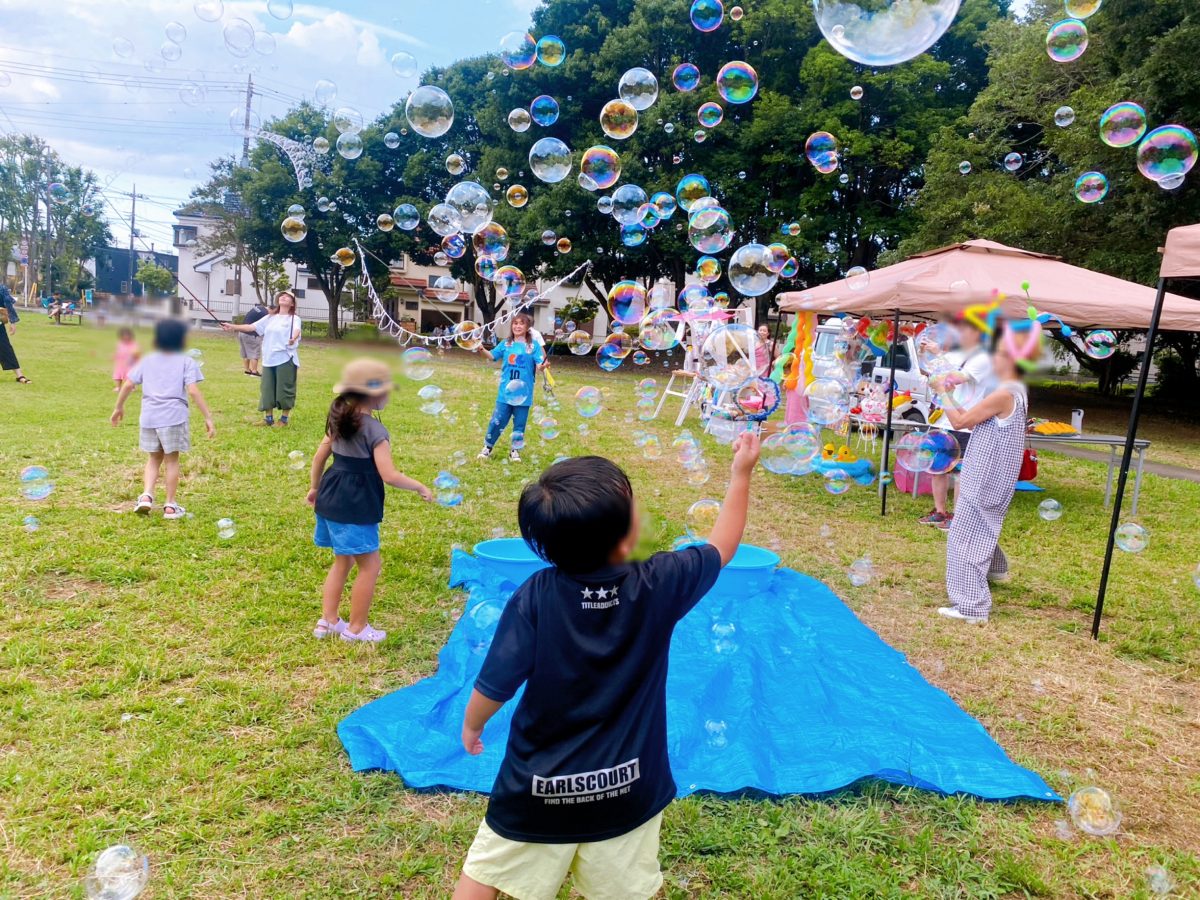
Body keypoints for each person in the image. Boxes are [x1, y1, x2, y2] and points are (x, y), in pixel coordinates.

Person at [452, 434, 761, 900]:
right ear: (625, 534)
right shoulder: (660, 582)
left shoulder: (536, 595)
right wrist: (741, 473)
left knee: (486, 875)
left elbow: (496, 683)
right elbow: (723, 545)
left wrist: (473, 726)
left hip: (538, 788)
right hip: (630, 785)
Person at [307, 359, 433, 643]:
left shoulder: (338, 421)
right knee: (369, 565)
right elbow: (388, 475)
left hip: (330, 497)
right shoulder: (376, 432)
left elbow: (318, 459)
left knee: (343, 561)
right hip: (356, 503)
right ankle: (356, 628)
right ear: (374, 394)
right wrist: (419, 486)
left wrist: (314, 489)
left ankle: (328, 621)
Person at [938, 339, 1027, 623]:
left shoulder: (1004, 393)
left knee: (964, 537)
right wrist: (950, 396)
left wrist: (942, 393)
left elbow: (959, 423)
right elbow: (970, 418)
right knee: (981, 527)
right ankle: (996, 569)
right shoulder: (1015, 391)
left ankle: (971, 607)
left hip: (986, 479)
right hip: (992, 477)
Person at [111, 319, 214, 519]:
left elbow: (127, 384)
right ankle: (170, 506)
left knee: (153, 458)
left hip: (149, 417)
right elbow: (193, 391)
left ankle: (146, 497)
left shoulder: (147, 360)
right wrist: (208, 417)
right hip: (173, 417)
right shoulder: (186, 361)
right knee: (172, 460)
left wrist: (118, 407)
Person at [920, 320, 998, 529]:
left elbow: (956, 378)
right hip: (942, 417)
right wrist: (926, 355)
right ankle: (939, 512)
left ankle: (958, 517)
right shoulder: (955, 354)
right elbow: (932, 374)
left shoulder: (982, 358)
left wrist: (938, 355)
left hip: (964, 421)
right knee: (937, 468)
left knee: (960, 472)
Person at [221, 291, 301, 426]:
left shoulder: (294, 318)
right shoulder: (270, 317)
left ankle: (283, 420)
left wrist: (293, 338)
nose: (283, 297)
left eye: (287, 297)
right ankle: (268, 419)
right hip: (269, 358)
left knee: (285, 388)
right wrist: (233, 326)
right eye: (281, 295)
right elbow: (252, 327)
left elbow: (296, 330)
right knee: (267, 388)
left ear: (292, 303)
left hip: (286, 357)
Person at [476, 312, 544, 463]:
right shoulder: (506, 344)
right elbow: (492, 356)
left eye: (521, 323)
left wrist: (543, 366)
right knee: (497, 421)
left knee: (520, 423)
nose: (517, 326)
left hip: (524, 393)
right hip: (505, 392)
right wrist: (481, 349)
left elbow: (540, 364)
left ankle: (515, 451)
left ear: (527, 327)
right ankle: (487, 447)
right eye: (515, 323)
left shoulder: (533, 346)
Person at [0, 282, 30, 384]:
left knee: (5, 348)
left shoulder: (1, 288)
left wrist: (12, 322)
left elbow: (8, 303)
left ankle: (19, 375)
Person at [239, 299, 269, 376]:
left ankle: (247, 370)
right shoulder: (265, 313)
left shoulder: (258, 308)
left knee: (245, 352)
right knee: (254, 353)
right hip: (251, 334)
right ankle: (254, 372)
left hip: (241, 332)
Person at [112, 327, 140, 392]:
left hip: (130, 364)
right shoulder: (120, 343)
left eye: (127, 335)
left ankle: (132, 387)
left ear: (131, 336)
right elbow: (118, 352)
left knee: (130, 375)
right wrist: (115, 356)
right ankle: (118, 387)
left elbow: (136, 353)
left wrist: (134, 355)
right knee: (118, 375)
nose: (126, 337)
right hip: (121, 363)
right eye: (124, 336)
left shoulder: (134, 344)